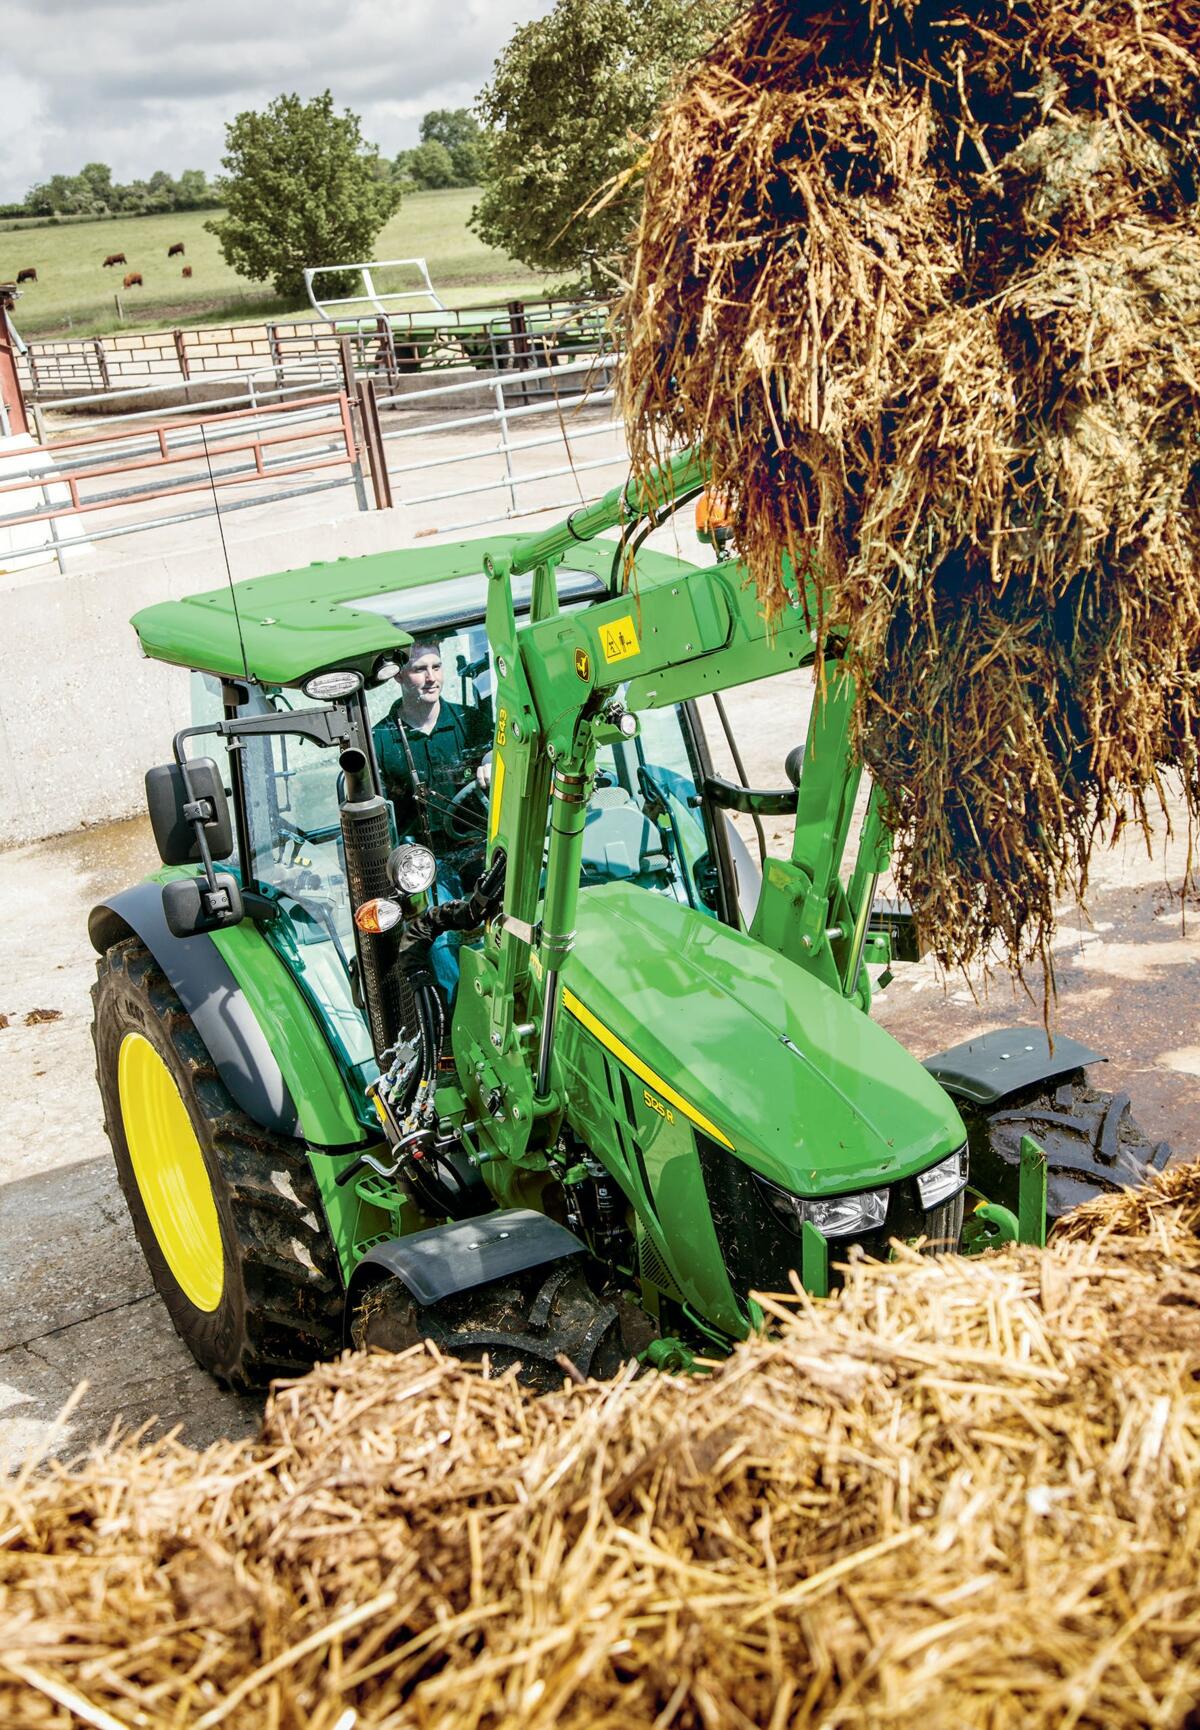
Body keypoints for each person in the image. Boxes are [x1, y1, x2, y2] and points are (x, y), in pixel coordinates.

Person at [372, 640, 493, 1002]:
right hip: (424, 866)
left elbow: (497, 750)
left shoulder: (471, 723)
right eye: (419, 669)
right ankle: (459, 1012)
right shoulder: (380, 739)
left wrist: (491, 762)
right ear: (399, 677)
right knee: (440, 943)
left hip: (477, 854)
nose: (431, 678)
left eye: (436, 667)